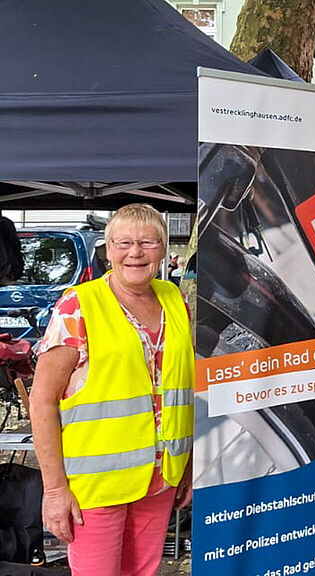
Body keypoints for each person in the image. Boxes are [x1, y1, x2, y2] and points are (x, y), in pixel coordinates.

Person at [30, 203, 194, 576]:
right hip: (96, 483)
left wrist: (186, 466)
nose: (135, 252)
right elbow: (41, 401)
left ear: (163, 249)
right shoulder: (79, 305)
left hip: (160, 477)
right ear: (107, 250)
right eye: (123, 242)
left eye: (147, 242)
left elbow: (181, 388)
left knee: (142, 572)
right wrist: (55, 491)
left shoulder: (175, 299)